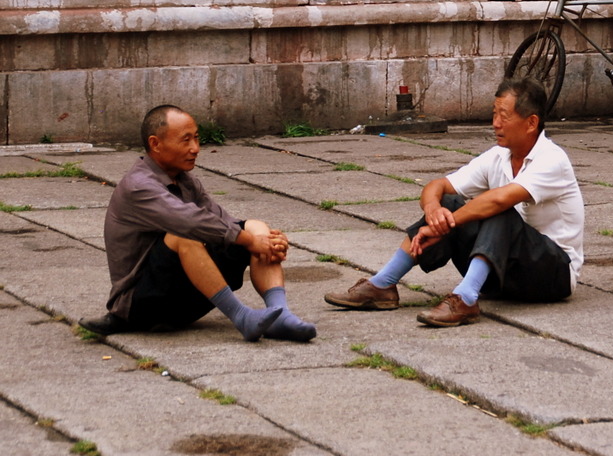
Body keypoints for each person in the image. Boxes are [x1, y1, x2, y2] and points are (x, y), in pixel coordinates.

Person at [324, 77, 583, 327]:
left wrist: (444, 225)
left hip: (551, 276)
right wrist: (434, 211)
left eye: (504, 116)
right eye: (494, 114)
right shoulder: (497, 157)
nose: (495, 123)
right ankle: (383, 284)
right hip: (503, 276)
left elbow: (499, 200)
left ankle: (466, 298)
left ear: (531, 123)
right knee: (449, 201)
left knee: (497, 209)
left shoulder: (552, 160)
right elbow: (438, 186)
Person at [80, 105, 316, 341]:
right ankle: (242, 316)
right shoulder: (138, 185)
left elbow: (222, 221)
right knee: (185, 235)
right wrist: (250, 241)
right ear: (155, 144)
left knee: (255, 227)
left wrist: (266, 240)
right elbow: (189, 222)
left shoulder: (186, 180)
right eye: (185, 140)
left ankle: (281, 315)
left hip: (182, 297)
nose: (195, 148)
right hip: (142, 305)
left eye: (196, 138)